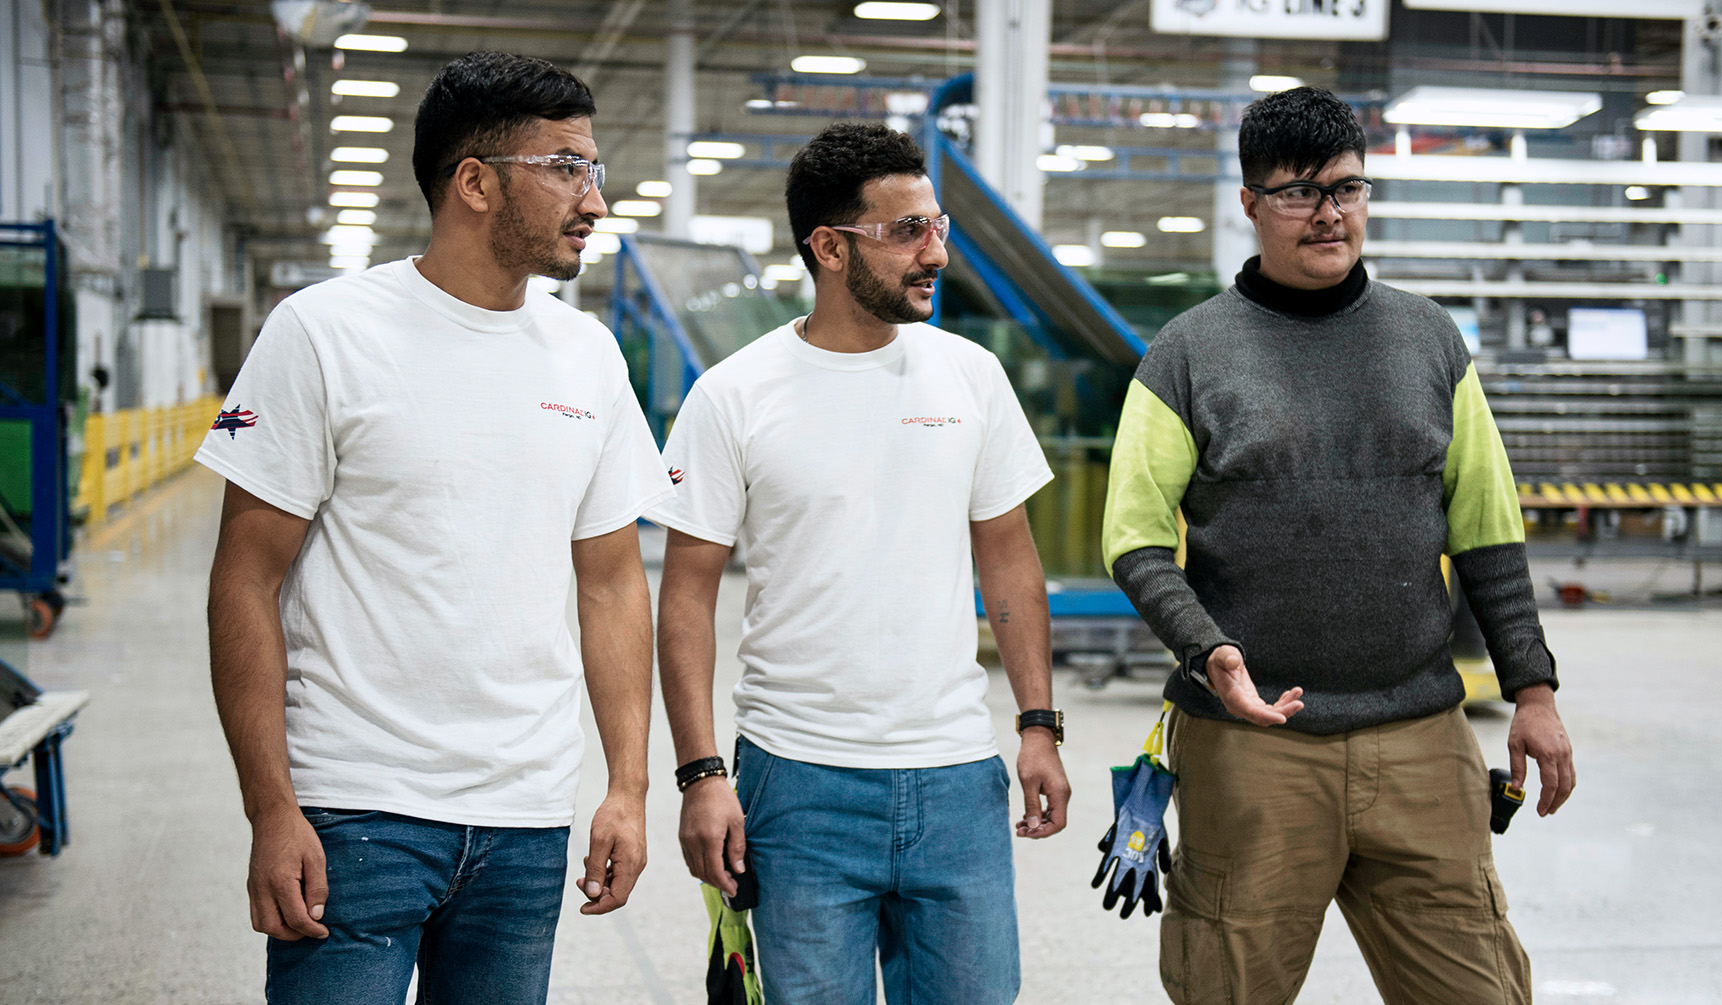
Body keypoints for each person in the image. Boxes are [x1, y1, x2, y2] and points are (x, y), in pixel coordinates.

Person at [199, 51, 672, 1004]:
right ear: (475, 183)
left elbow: (613, 581)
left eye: (596, 171)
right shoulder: (324, 331)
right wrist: (271, 807)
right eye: (568, 167)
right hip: (355, 811)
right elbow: (244, 579)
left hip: (524, 819)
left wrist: (628, 785)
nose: (594, 199)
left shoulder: (587, 355)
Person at [1101, 86, 1576, 1005]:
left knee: (1478, 987)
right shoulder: (1186, 354)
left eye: (1348, 189)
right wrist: (1209, 650)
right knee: (1227, 986)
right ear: (1248, 203)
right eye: (1299, 193)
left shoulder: (1429, 339)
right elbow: (1136, 539)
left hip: (1420, 738)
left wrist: (1533, 687)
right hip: (1252, 744)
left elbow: (1486, 528)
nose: (1330, 213)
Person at [650, 121, 1069, 1005]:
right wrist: (699, 775)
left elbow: (1008, 560)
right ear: (830, 247)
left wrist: (1038, 721)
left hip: (957, 777)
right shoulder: (734, 394)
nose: (935, 254)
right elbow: (683, 596)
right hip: (797, 781)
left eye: (937, 225)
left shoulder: (970, 376)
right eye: (905, 231)